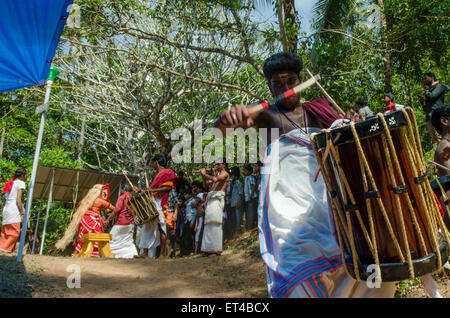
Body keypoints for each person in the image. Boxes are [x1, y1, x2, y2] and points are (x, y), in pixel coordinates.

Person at [215, 52, 396, 298]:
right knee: (294, 256)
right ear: (269, 87)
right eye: (276, 83)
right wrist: (230, 117)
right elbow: (224, 125)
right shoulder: (267, 115)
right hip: (288, 207)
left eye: (289, 80)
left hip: (328, 200)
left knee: (358, 252)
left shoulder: (319, 110)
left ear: (300, 80)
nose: (284, 87)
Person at [133, 154, 178, 258]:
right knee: (148, 227)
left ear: (156, 162)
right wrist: (140, 191)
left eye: (153, 162)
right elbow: (151, 191)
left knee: (161, 228)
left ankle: (162, 254)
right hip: (153, 203)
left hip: (162, 203)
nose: (153, 165)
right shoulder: (158, 175)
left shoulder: (168, 172)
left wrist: (152, 190)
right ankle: (144, 252)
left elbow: (168, 187)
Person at [55, 184, 114, 257]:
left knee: (82, 238)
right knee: (96, 237)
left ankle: (75, 253)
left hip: (83, 221)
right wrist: (109, 218)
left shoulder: (84, 201)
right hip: (93, 222)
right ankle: (94, 254)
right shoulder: (99, 201)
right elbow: (114, 209)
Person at [199, 160, 230, 255]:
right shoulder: (216, 175)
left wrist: (204, 174)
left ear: (224, 165)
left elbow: (215, 180)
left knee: (215, 223)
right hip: (211, 200)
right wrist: (204, 176)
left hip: (217, 200)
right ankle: (208, 249)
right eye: (216, 164)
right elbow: (205, 185)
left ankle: (216, 248)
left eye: (218, 164)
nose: (216, 166)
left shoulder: (225, 174)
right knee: (208, 224)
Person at [104, 184, 137, 259]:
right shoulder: (132, 198)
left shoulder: (122, 197)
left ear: (123, 189)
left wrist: (108, 220)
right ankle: (132, 254)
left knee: (111, 238)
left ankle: (110, 254)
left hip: (121, 223)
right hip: (130, 223)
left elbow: (116, 210)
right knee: (128, 241)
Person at [0, 169, 27, 253]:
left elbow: (5, 199)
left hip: (6, 208)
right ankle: (5, 249)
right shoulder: (21, 183)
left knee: (5, 231)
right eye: (26, 175)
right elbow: (18, 199)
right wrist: (22, 212)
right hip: (13, 208)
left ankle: (3, 247)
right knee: (15, 231)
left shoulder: (9, 183)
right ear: (22, 175)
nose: (26, 177)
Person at [420, 73, 449, 144]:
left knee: (442, 138)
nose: (424, 80)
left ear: (432, 78)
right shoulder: (430, 90)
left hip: (436, 115)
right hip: (429, 117)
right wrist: (422, 103)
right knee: (435, 140)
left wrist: (426, 92)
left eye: (425, 78)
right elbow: (426, 108)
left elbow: (432, 96)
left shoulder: (439, 86)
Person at [180, 186, 196, 256]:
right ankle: (186, 251)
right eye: (184, 194)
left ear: (190, 194)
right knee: (185, 236)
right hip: (187, 221)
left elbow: (195, 212)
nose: (185, 196)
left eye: (186, 194)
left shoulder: (193, 201)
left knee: (190, 236)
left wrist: (192, 222)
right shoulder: (187, 202)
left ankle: (191, 250)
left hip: (190, 221)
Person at [229, 166, 244, 235]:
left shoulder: (238, 183)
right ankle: (236, 229)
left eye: (232, 176)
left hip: (237, 203)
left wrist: (238, 201)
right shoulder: (233, 183)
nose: (231, 177)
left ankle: (238, 230)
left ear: (235, 176)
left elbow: (240, 193)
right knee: (235, 217)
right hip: (233, 202)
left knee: (238, 216)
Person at [243, 164, 258, 230]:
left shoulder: (251, 177)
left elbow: (254, 186)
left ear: (249, 171)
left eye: (245, 170)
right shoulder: (246, 178)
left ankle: (251, 228)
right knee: (248, 213)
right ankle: (249, 227)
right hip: (248, 199)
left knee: (251, 214)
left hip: (251, 199)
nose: (244, 172)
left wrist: (250, 196)